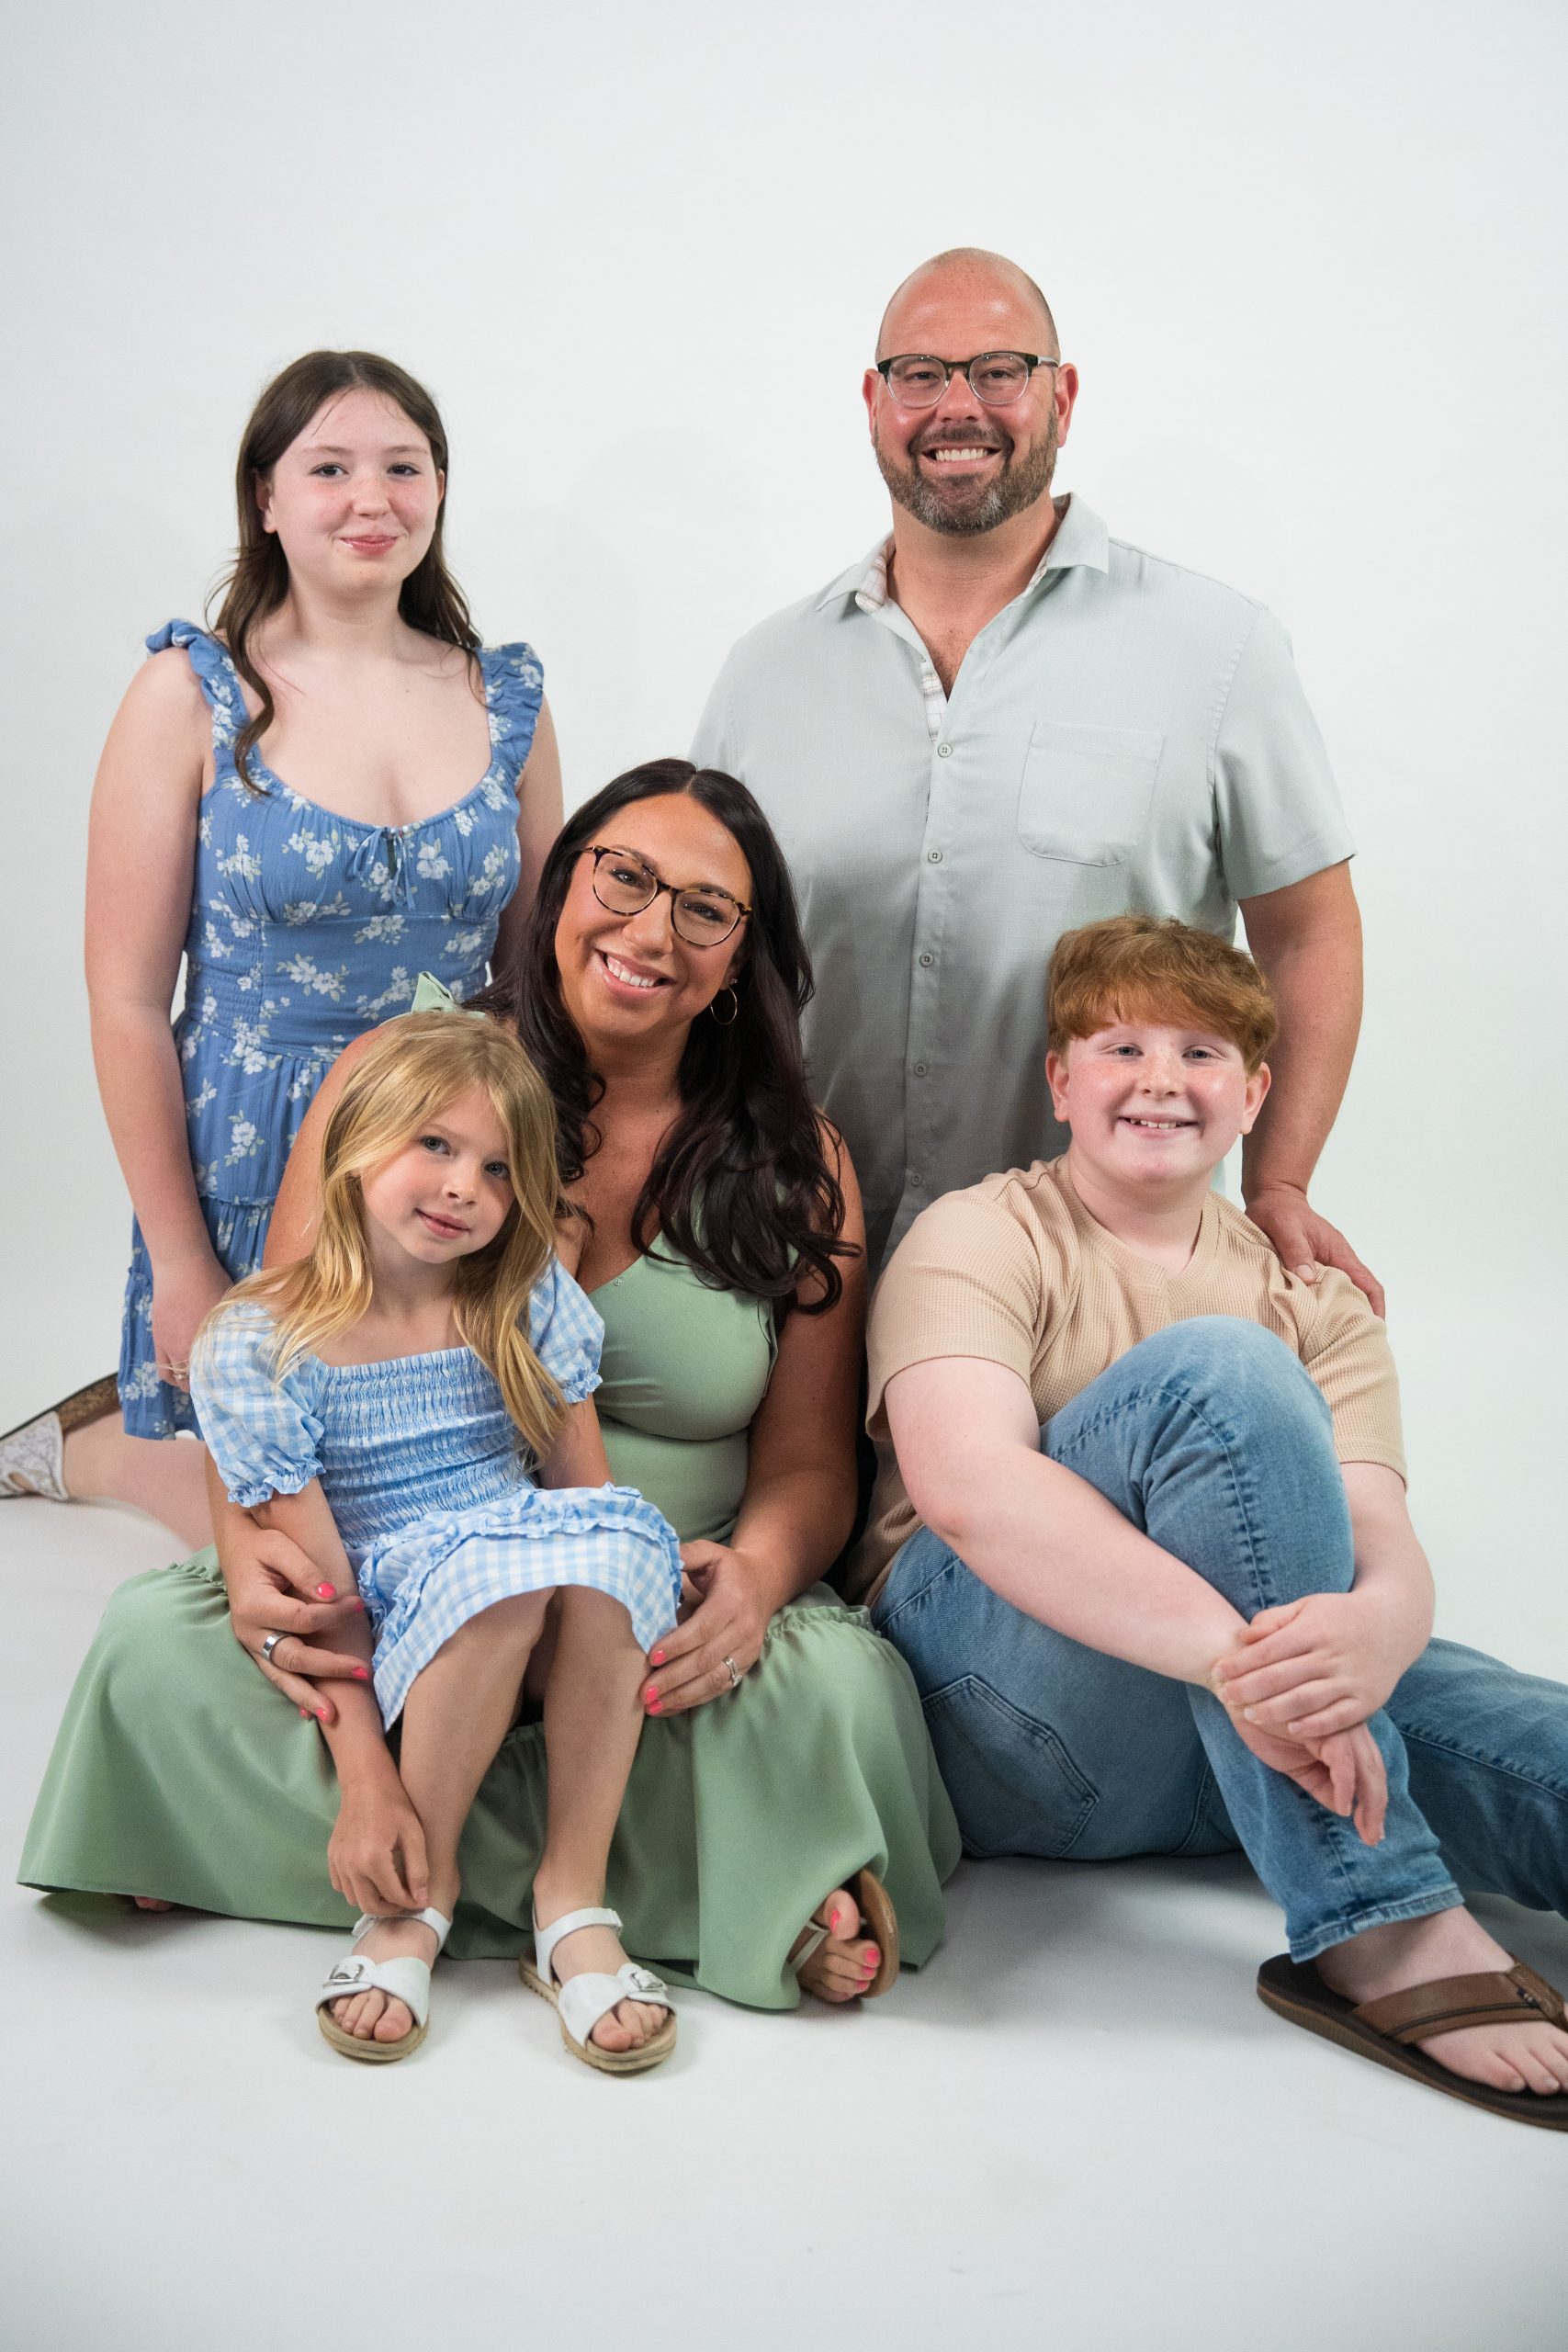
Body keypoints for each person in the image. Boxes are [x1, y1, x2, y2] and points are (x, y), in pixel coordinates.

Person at [20, 762, 959, 2013]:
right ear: (559, 886)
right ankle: (726, 1873)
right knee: (152, 1650)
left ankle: (292, 1851)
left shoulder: (798, 1160)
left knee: (838, 1696)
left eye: (704, 909)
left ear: (741, 959)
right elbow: (286, 1350)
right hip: (388, 1568)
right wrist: (251, 1564)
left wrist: (756, 1581)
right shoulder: (407, 1075)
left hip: (644, 1613)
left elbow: (808, 1465)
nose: (650, 931)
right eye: (623, 878)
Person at [852, 913, 1568, 2127]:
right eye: (1121, 1047)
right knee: (1224, 1375)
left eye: (1198, 1053)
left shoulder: (1316, 1297)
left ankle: (1329, 1807)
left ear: (1253, 1094)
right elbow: (970, 1491)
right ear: (1060, 1082)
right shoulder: (981, 1233)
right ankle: (1379, 1921)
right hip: (1013, 1720)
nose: (1160, 1081)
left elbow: (1378, 1540)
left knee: (1541, 1747)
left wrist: (1378, 1632)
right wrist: (1246, 1665)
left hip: (1244, 1742)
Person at [691, 247, 1377, 1308]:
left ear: (1062, 396)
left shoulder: (1216, 651)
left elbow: (1307, 930)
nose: (958, 405)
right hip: (797, 1262)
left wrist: (1276, 1180)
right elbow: (697, 944)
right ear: (874, 401)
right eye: (921, 373)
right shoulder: (767, 673)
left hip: (1105, 1282)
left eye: (999, 370)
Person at [0, 349, 561, 1544]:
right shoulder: (191, 696)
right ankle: (97, 1450)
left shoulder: (505, 698)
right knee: (299, 1534)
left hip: (444, 1151)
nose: (372, 500)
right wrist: (180, 1261)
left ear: (440, 487)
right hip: (254, 1142)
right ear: (265, 496)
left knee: (418, 1493)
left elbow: (535, 980)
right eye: (330, 469)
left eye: (403, 467)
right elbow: (125, 1000)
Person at [190, 1011, 683, 2070]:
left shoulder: (522, 1300)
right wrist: (365, 1776)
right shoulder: (264, 1340)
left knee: (605, 1551)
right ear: (357, 1141)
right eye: (436, 1145)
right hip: (401, 1602)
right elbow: (323, 1590)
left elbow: (586, 1500)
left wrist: (625, 1581)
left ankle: (571, 1900)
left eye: (498, 1169)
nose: (466, 1187)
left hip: (526, 1584)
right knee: (500, 1586)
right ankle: (416, 1900)